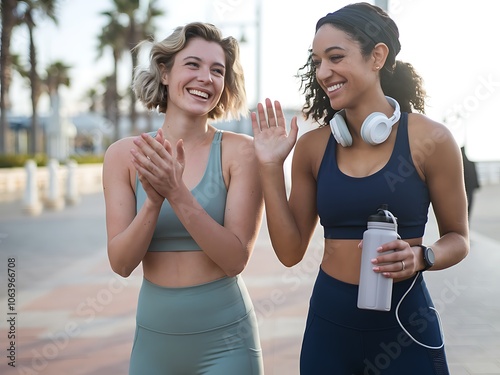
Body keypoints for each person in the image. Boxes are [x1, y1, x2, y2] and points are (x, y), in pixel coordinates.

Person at [251, 3, 469, 374]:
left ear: (377, 56)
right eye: (317, 61)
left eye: (335, 57)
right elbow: (289, 253)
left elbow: (459, 238)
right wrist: (271, 167)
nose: (323, 72)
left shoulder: (431, 139)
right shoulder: (313, 147)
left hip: (406, 327)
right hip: (330, 327)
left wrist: (422, 258)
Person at [102, 22, 264, 374]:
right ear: (164, 71)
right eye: (193, 64)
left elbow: (235, 259)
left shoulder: (241, 153)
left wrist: (176, 193)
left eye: (217, 70)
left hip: (228, 344)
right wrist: (153, 201)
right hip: (154, 346)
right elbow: (122, 263)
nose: (206, 78)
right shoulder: (122, 155)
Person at [461, 146, 480, 221]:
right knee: (469, 205)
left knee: (462, 206)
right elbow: (474, 175)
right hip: (470, 188)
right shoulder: (471, 164)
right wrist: (476, 185)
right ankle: (467, 221)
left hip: (463, 188)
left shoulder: (459, 164)